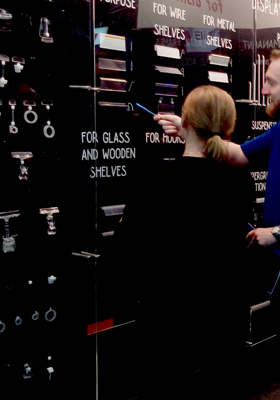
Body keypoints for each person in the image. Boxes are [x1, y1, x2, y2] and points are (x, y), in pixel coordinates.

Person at [157, 47, 280, 399]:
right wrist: (188, 130)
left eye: (271, 82)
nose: (263, 89)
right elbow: (239, 154)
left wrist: (277, 232)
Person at [114, 85, 255, 399]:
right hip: (223, 318)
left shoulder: (155, 178)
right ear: (229, 127)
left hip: (167, 320)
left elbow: (126, 247)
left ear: (185, 120)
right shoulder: (239, 181)